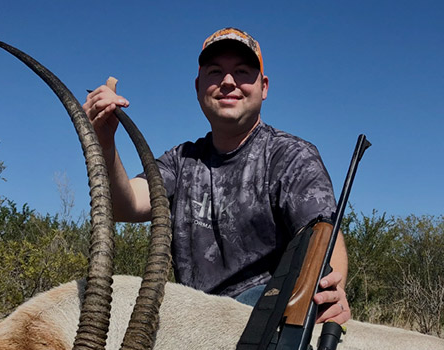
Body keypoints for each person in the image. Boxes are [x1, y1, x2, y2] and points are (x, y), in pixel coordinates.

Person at [82, 27, 351, 324]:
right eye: (215, 72)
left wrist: (331, 288)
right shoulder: (181, 161)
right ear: (199, 87)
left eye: (242, 71)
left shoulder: (291, 156)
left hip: (263, 318)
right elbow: (126, 205)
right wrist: (103, 142)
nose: (228, 81)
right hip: (195, 321)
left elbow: (321, 233)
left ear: (263, 87)